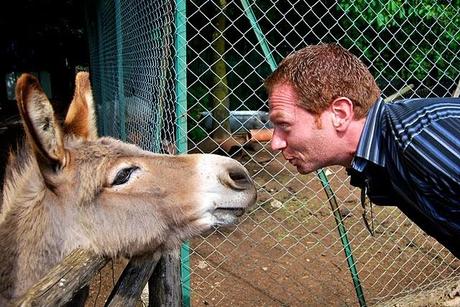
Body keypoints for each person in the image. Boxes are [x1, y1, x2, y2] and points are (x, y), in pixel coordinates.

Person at [264, 43, 460, 258]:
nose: (276, 143)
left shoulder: (420, 139)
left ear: (340, 113)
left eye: (283, 124)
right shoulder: (378, 158)